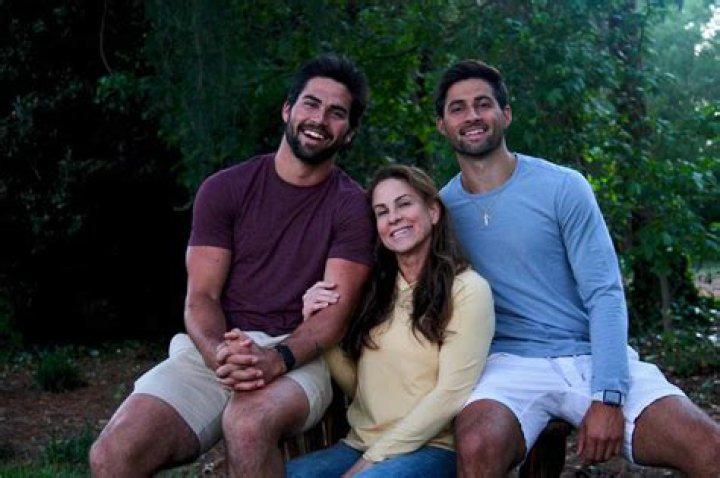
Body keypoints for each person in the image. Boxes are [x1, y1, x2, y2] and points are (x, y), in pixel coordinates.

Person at [88, 54, 376, 477]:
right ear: (288, 109)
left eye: (336, 113)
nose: (319, 119)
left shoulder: (352, 207)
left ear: (348, 132)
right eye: (311, 104)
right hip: (217, 349)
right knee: (113, 454)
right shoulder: (224, 189)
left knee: (247, 423)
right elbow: (201, 296)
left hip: (297, 356)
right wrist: (219, 353)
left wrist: (276, 358)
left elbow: (333, 316)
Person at [434, 59, 720, 477]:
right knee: (477, 448)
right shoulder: (440, 211)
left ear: (506, 114)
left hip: (589, 353)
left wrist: (607, 395)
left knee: (709, 448)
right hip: (508, 363)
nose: (472, 116)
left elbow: (605, 292)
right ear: (442, 125)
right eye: (457, 108)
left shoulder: (563, 187)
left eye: (483, 104)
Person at [285, 165, 495, 477]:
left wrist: (370, 462)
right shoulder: (376, 290)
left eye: (404, 204)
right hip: (361, 443)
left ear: (433, 212)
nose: (393, 217)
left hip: (432, 447)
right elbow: (361, 388)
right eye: (382, 212)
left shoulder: (467, 290)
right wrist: (317, 324)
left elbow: (451, 394)